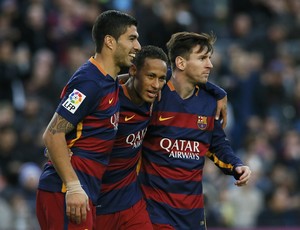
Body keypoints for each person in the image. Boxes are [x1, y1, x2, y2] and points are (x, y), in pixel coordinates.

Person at [36, 10, 141, 229]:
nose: (137, 46)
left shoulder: (106, 80)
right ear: (110, 42)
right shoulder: (89, 83)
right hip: (67, 192)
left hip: (82, 193)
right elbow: (53, 134)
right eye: (131, 38)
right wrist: (73, 186)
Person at [138, 32, 252, 230]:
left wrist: (236, 165)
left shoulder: (208, 103)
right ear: (181, 63)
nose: (210, 64)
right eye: (202, 58)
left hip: (193, 215)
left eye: (209, 58)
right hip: (154, 212)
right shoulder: (155, 96)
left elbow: (216, 144)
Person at [95, 45, 168, 229]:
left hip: (130, 202)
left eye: (161, 79)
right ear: (134, 70)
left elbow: (188, 80)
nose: (156, 85)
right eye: (151, 76)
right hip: (97, 203)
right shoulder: (109, 100)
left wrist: (219, 93)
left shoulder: (153, 98)